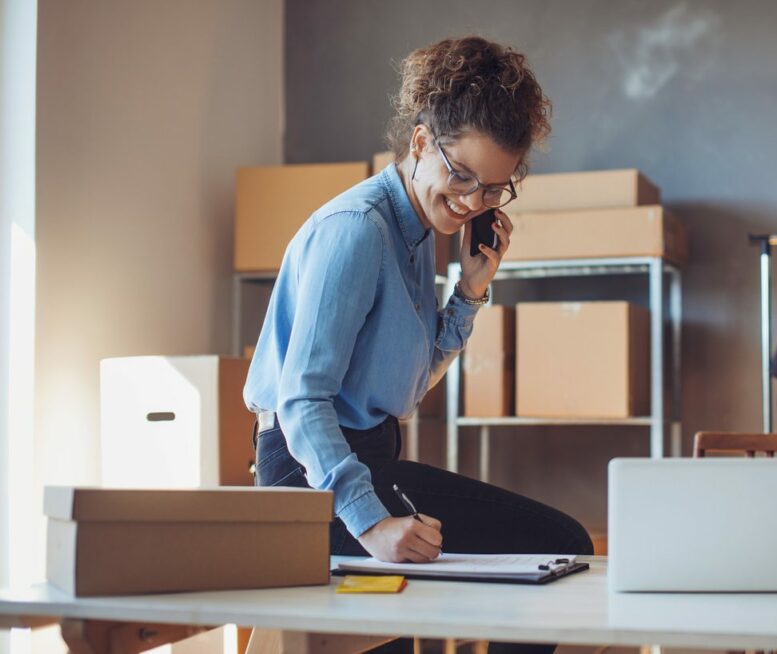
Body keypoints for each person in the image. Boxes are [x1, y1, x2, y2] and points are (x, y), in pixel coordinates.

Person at [243, 35, 593, 574]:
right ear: (423, 143)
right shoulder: (358, 231)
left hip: (368, 460)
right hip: (309, 474)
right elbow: (301, 400)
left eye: (496, 188)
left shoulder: (419, 231)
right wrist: (371, 524)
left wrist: (469, 292)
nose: (474, 201)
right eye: (462, 176)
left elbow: (407, 385)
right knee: (560, 542)